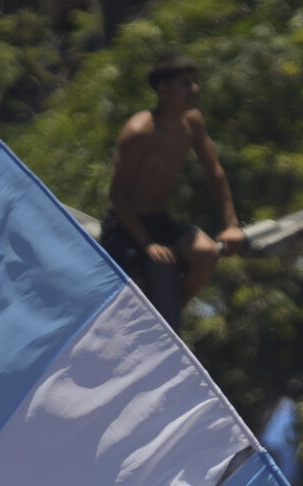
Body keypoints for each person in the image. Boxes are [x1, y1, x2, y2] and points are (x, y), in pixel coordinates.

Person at [102, 55, 246, 312]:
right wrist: (147, 243)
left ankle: (172, 316)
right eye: (185, 84)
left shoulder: (192, 122)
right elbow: (119, 196)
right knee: (136, 295)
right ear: (163, 90)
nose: (194, 90)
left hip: (160, 219)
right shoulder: (139, 132)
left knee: (206, 254)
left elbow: (214, 172)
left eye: (195, 83)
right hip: (125, 226)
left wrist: (231, 225)